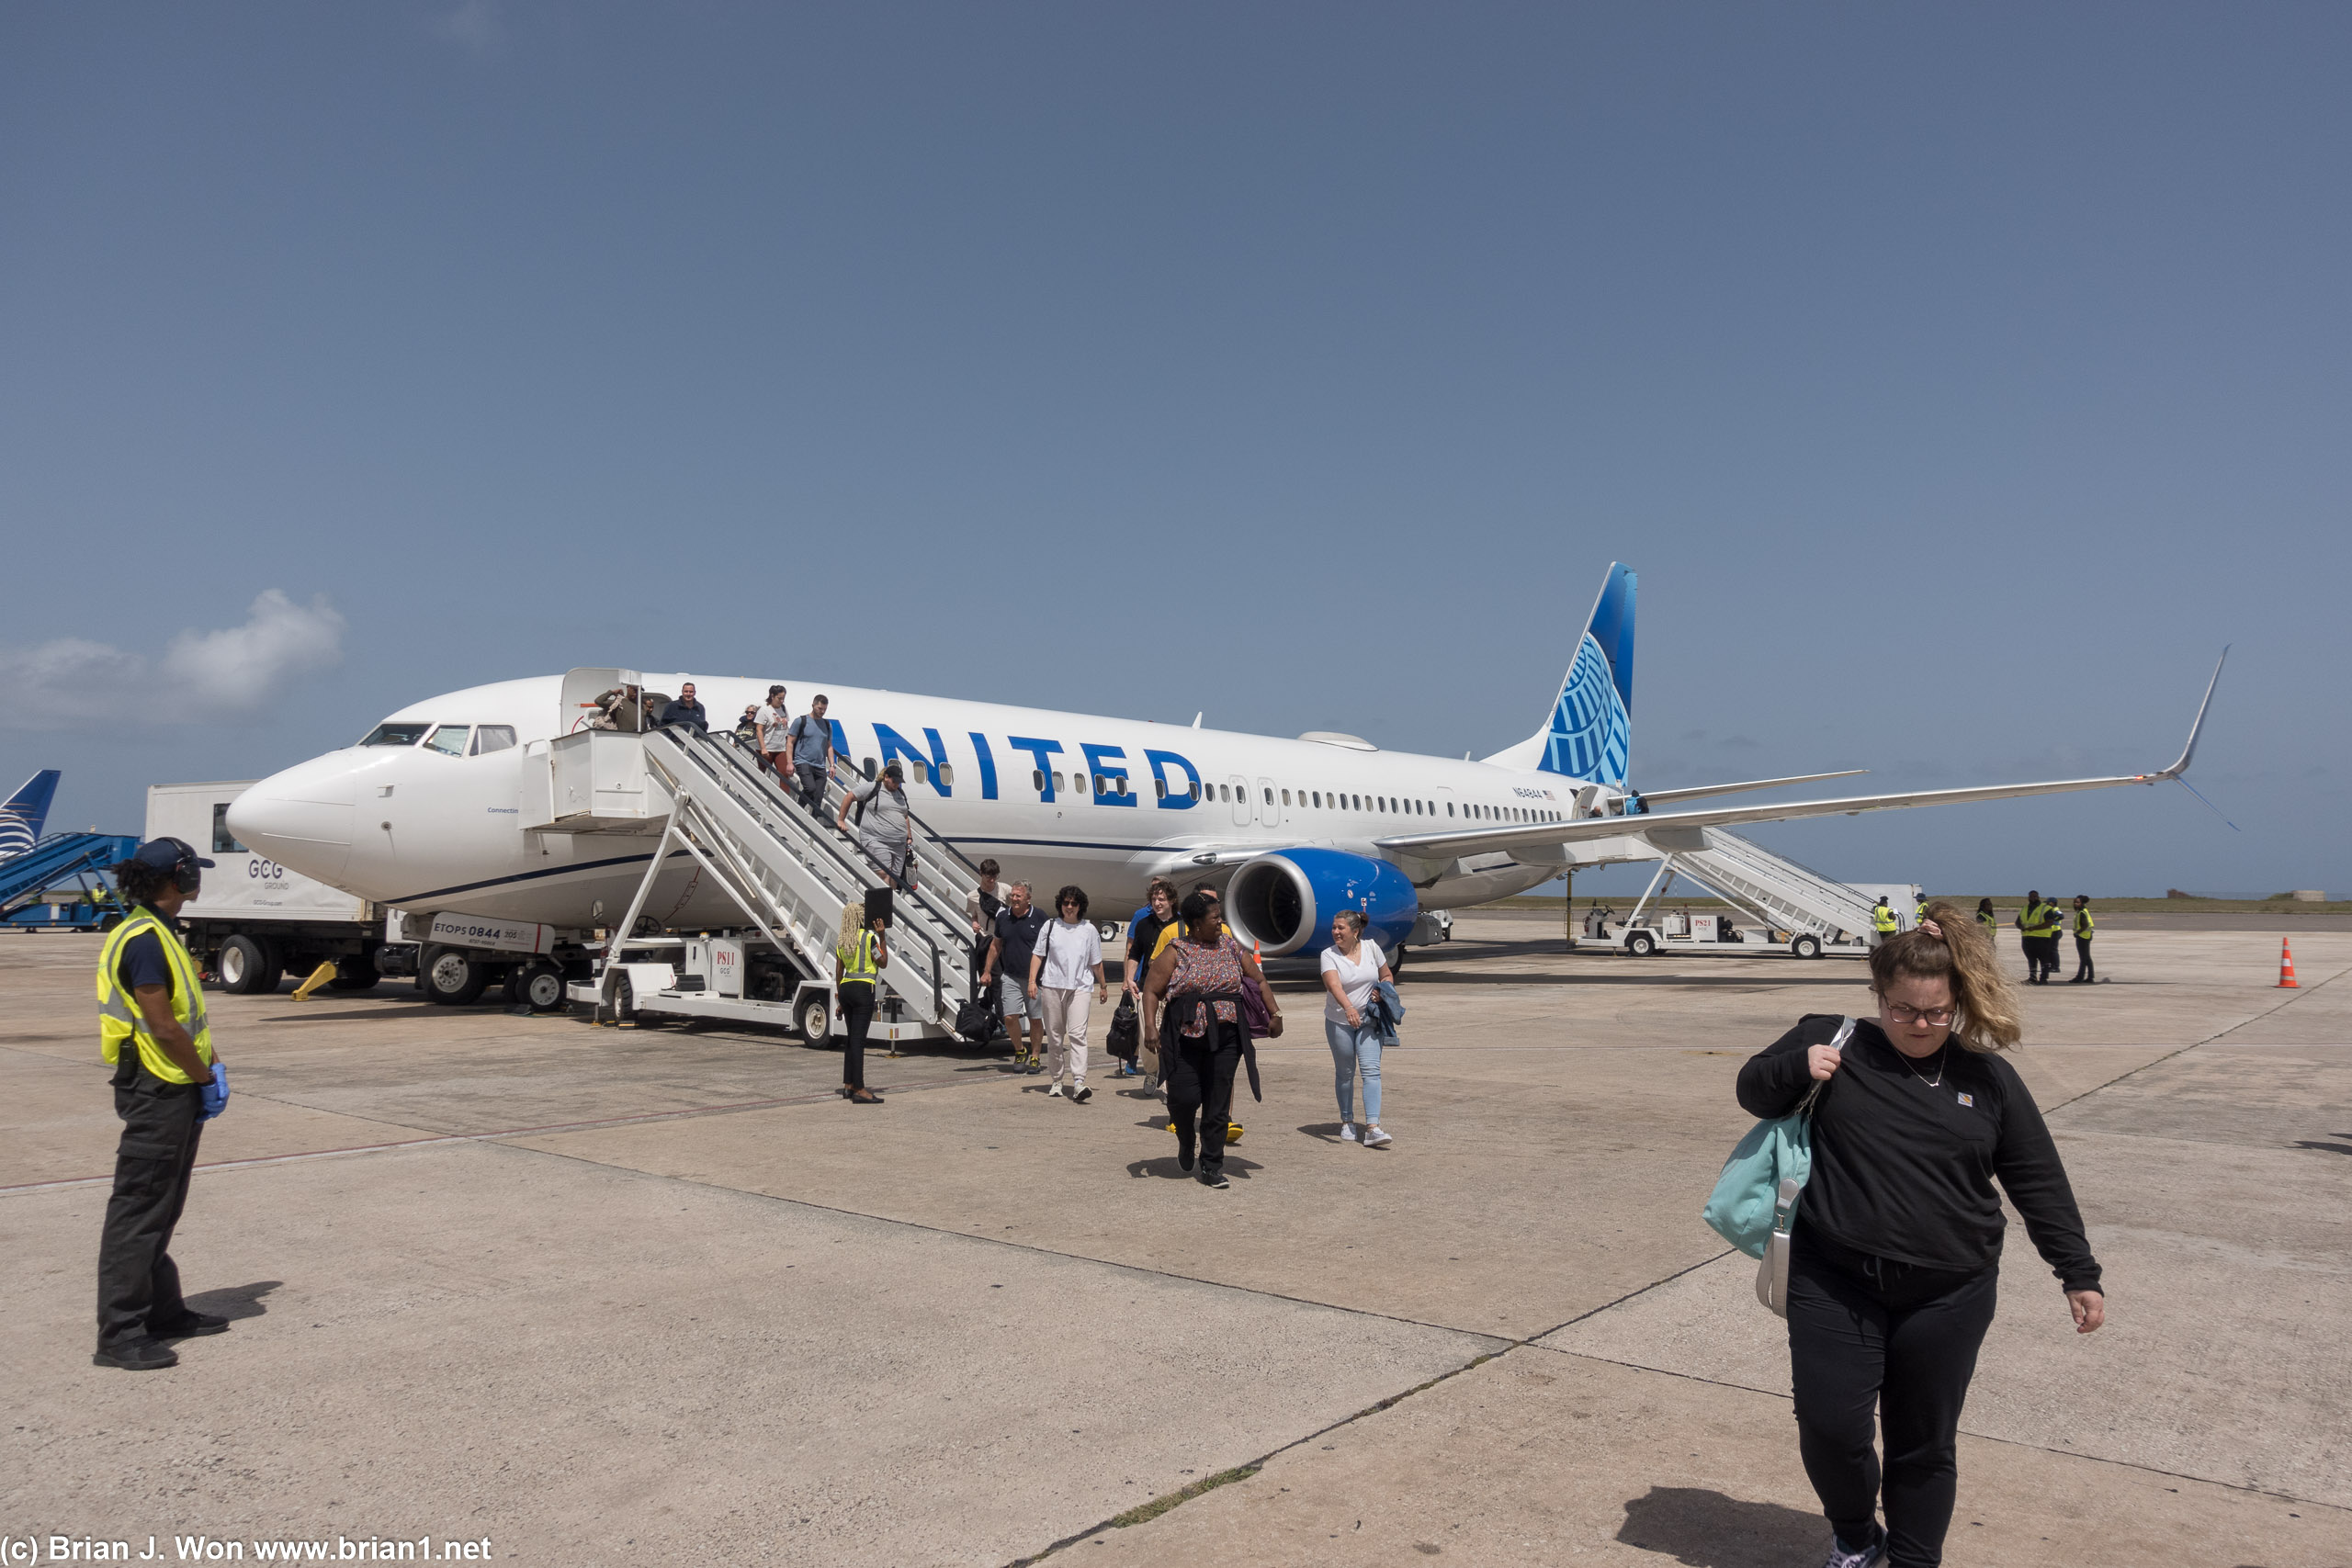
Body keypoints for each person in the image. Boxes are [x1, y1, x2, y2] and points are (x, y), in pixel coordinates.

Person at [1736, 904, 2104, 1568]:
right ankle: (1855, 1535)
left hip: (1950, 1291)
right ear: (1880, 996)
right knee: (1831, 1426)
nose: (1921, 1024)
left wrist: (2076, 1271)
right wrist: (1798, 1068)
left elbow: (2036, 1176)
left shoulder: (1986, 1078)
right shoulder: (1835, 1037)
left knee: (1923, 1442)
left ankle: (1912, 1559)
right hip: (1835, 1276)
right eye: (1904, 1009)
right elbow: (1752, 1089)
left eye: (1936, 1012)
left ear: (1957, 1001)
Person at [94, 838, 231, 1371]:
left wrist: (211, 1063)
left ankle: (163, 1312)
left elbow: (187, 1016)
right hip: (158, 1088)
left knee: (163, 1204)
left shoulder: (160, 932)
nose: (200, 878)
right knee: (139, 1208)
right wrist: (203, 1079)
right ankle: (120, 1333)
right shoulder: (145, 940)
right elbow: (164, 1026)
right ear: (179, 877)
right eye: (195, 870)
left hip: (173, 1082)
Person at [1142, 889, 1278, 1189]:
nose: (1220, 923)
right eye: (1214, 918)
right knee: (1183, 1098)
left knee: (1217, 1103)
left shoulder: (1231, 946)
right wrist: (1151, 1027)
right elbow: (1151, 990)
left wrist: (1274, 1013)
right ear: (1195, 923)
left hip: (1227, 1036)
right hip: (1184, 1036)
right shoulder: (1177, 950)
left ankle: (1212, 1164)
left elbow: (1259, 980)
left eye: (1220, 917)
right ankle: (1186, 1138)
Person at [1319, 908, 1395, 1146]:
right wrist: (1349, 1008)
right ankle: (1347, 1121)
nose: (1335, 932)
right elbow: (1334, 986)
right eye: (1334, 927)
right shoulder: (1328, 955)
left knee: (1371, 1070)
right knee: (1345, 1073)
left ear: (1355, 931)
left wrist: (1382, 990)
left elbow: (1387, 975)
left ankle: (1372, 1127)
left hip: (1370, 1020)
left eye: (1341, 928)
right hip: (1339, 1021)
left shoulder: (1372, 947)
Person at [1030, 885, 1108, 1101]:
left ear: (1080, 906)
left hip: (1080, 988)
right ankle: (1056, 1080)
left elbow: (1096, 962)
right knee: (1055, 1036)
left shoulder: (1089, 930)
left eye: (1074, 903)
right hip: (1052, 986)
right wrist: (1032, 981)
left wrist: (1102, 985)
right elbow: (1037, 955)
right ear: (1060, 905)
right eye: (1066, 903)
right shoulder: (1050, 926)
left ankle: (1079, 1082)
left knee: (1077, 1034)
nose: (1070, 907)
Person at [983, 881, 1050, 1070]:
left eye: (1018, 896)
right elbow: (996, 945)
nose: (1014, 899)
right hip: (1010, 976)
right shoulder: (1004, 917)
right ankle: (1020, 1051)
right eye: (1012, 895)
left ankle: (1035, 1055)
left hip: (1035, 979)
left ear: (1028, 898)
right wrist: (987, 971)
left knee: (1035, 1018)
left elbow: (1049, 947)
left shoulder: (1040, 917)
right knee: (1010, 1017)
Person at [1122, 878, 1182, 1079]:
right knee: (1147, 1035)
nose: (1157, 903)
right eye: (1154, 899)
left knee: (1172, 1037)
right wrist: (1129, 978)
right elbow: (1134, 954)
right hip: (1147, 989)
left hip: (1175, 989)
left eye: (1162, 899)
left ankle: (1167, 1078)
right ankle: (1152, 1072)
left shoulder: (1182, 925)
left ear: (1171, 900)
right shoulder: (1143, 924)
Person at [832, 902, 887, 1105]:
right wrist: (882, 936)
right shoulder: (869, 937)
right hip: (864, 989)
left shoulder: (842, 941)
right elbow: (883, 962)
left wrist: (840, 998)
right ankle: (860, 1089)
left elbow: (838, 971)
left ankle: (847, 1085)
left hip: (846, 988)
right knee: (858, 1040)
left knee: (851, 1038)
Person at [839, 761, 916, 894]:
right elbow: (850, 796)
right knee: (883, 874)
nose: (897, 784)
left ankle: (889, 908)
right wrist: (841, 820)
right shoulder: (873, 788)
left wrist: (909, 836)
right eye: (894, 781)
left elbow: (905, 816)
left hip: (899, 844)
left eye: (899, 782)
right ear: (886, 777)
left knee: (894, 878)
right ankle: (882, 910)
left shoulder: (900, 793)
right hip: (876, 839)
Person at [786, 694, 834, 813]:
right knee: (810, 788)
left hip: (820, 764)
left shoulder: (827, 725)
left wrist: (832, 765)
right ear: (813, 705)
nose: (822, 712)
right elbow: (790, 742)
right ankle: (798, 811)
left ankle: (814, 821)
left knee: (818, 796)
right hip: (803, 761)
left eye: (824, 709)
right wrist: (789, 763)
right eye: (820, 708)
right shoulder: (801, 721)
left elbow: (829, 746)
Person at [965, 858, 1004, 976]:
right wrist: (974, 923)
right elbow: (974, 915)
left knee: (1002, 979)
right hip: (985, 939)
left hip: (1002, 939)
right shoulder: (972, 896)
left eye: (995, 876)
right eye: (988, 877)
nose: (992, 880)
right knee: (989, 978)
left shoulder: (1005, 889)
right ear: (981, 873)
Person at [2015, 890, 2059, 984]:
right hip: (2027, 937)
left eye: (2035, 896)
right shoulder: (2025, 908)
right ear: (2028, 898)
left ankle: (2044, 978)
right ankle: (2032, 977)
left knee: (2043, 958)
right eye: (2031, 896)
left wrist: (2034, 928)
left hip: (2042, 938)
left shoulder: (2046, 908)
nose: (2033, 898)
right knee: (2031, 958)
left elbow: (2049, 922)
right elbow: (2017, 921)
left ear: (2038, 897)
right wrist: (2021, 926)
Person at [755, 684, 792, 784]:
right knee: (763, 774)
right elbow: (759, 729)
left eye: (783, 698)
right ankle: (760, 794)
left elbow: (786, 727)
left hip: (781, 747)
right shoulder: (764, 710)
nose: (781, 701)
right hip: (767, 747)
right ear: (772, 696)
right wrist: (763, 748)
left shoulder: (783, 708)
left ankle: (784, 798)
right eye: (779, 698)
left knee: (784, 773)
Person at [2069, 896, 2096, 984]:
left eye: (2077, 902)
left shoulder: (2082, 913)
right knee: (2087, 957)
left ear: (2082, 903)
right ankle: (2090, 977)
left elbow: (2085, 925)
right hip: (2086, 936)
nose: (2075, 904)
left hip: (2083, 937)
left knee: (2083, 958)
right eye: (2075, 902)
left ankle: (2080, 977)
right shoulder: (2082, 911)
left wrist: (2077, 933)